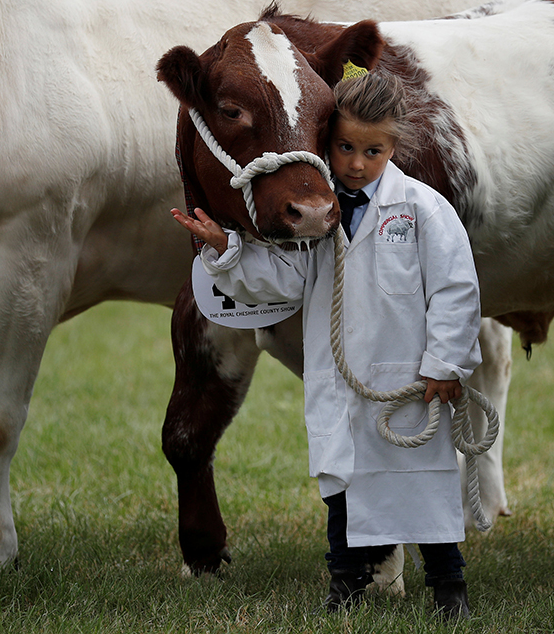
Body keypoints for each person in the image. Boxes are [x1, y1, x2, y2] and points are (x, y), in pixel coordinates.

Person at [171, 70, 482, 619]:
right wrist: (228, 251)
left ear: (394, 147)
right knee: (341, 489)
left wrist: (446, 364)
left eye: (373, 150)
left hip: (408, 386)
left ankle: (447, 583)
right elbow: (283, 280)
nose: (357, 163)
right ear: (326, 144)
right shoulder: (321, 218)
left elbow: (457, 291)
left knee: (422, 489)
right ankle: (346, 583)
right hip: (342, 383)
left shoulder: (425, 211)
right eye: (344, 148)